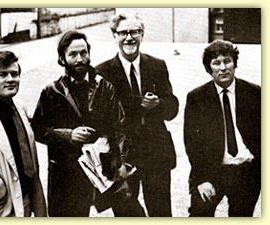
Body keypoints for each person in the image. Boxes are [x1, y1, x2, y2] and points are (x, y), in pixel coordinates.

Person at [31, 31, 125, 217]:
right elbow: (37, 129)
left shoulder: (105, 87)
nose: (80, 59)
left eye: (83, 53)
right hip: (65, 173)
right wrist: (68, 135)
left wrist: (121, 161)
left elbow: (119, 126)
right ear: (62, 58)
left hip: (100, 168)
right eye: (73, 54)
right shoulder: (52, 92)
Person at [96, 12, 179, 217]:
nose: (129, 38)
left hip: (156, 154)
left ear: (142, 34)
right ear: (114, 36)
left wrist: (158, 104)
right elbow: (100, 120)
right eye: (123, 32)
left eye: (135, 32)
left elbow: (172, 107)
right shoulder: (102, 72)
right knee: (126, 214)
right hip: (123, 158)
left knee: (161, 213)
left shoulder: (157, 65)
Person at [184, 39, 261, 217]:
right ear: (209, 68)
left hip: (247, 171)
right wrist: (202, 179)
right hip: (212, 171)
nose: (223, 67)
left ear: (235, 64)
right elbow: (192, 143)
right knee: (199, 214)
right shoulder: (197, 97)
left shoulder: (255, 93)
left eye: (227, 61)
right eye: (216, 63)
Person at [0, 51, 47, 217]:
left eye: (15, 74)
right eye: (3, 75)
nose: (11, 79)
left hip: (25, 201)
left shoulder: (20, 108)